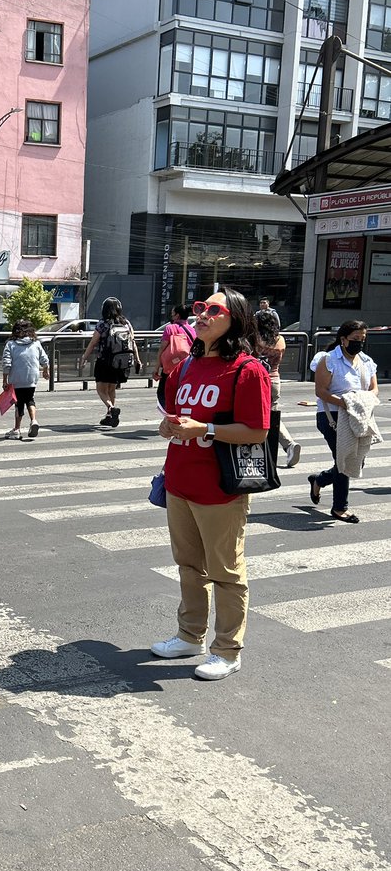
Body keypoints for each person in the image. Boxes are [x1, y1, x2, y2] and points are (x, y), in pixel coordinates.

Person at [151, 289, 271, 681]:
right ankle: (190, 635)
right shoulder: (185, 367)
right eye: (200, 308)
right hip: (180, 481)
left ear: (233, 319)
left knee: (226, 572)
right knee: (188, 566)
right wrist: (167, 426)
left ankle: (227, 650)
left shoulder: (247, 369)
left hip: (220, 489)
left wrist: (208, 429)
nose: (201, 314)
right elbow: (171, 417)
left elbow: (256, 431)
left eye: (212, 310)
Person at [309, 320, 379, 524]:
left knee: (357, 459)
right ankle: (340, 507)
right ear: (343, 339)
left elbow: (374, 389)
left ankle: (319, 479)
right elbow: (321, 391)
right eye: (355, 339)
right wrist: (345, 402)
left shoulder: (366, 362)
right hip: (332, 416)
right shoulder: (328, 360)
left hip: (358, 416)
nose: (359, 343)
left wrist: (361, 401)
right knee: (344, 459)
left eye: (362, 339)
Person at [77, 296, 141, 426]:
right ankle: (110, 415)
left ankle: (111, 408)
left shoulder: (102, 324)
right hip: (121, 362)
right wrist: (137, 359)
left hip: (105, 361)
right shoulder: (126, 323)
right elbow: (133, 342)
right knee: (112, 389)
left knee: (101, 389)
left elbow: (93, 343)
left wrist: (84, 358)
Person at [254, 309, 300, 469]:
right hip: (275, 380)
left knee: (265, 418)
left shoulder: (256, 340)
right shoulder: (280, 340)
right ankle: (289, 446)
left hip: (259, 381)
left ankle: (286, 445)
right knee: (271, 416)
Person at [1, 319, 50, 440]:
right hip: (31, 378)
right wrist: (45, 370)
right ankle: (33, 421)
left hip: (16, 379)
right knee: (30, 399)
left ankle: (17, 429)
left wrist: (5, 380)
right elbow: (44, 359)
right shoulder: (36, 343)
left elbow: (6, 363)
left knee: (19, 403)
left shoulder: (11, 344)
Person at [153, 304, 196, 412]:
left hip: (169, 369)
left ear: (177, 315)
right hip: (186, 368)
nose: (171, 315)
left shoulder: (170, 328)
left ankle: (169, 413)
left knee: (163, 393)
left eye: (172, 313)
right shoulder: (192, 330)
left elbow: (162, 349)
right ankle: (177, 413)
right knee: (180, 393)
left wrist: (156, 367)